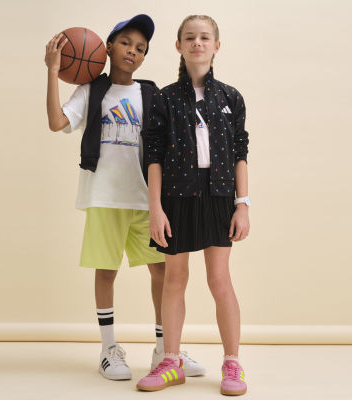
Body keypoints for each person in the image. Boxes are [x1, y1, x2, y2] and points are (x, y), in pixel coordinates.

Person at [44, 14, 205, 381]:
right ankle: (108, 349)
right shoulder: (92, 91)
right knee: (106, 271)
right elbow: (56, 122)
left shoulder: (151, 94)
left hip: (146, 200)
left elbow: (168, 145)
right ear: (107, 48)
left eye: (141, 48)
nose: (133, 51)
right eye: (126, 43)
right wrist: (53, 71)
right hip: (104, 197)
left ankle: (165, 349)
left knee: (161, 271)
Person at [137, 15, 250, 396]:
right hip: (176, 197)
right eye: (189, 38)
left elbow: (240, 153)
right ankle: (171, 361)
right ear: (179, 46)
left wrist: (242, 204)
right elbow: (153, 156)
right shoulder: (164, 98)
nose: (197, 43)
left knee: (219, 279)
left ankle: (232, 363)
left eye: (204, 37)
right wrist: (156, 208)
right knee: (174, 279)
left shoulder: (231, 97)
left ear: (216, 46)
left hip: (219, 196)